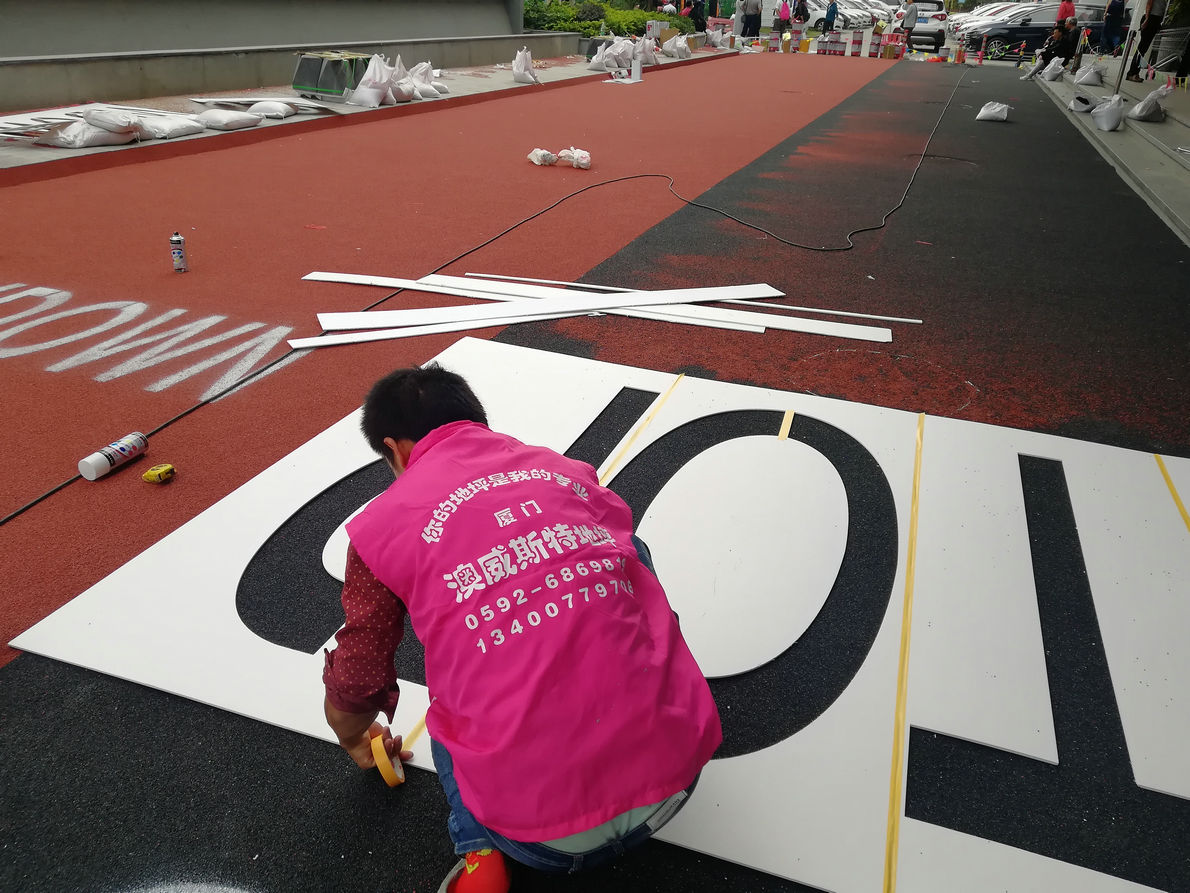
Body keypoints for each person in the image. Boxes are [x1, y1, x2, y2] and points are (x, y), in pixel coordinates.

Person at [323, 364, 722, 893]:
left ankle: (478, 852)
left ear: (395, 449)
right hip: (677, 783)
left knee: (451, 701)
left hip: (540, 843)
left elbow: (360, 672)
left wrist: (353, 737)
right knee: (629, 553)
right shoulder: (566, 472)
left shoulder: (381, 527)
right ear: (477, 421)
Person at [1125, 0, 1168, 81]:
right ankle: (1132, 73)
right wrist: (1147, 19)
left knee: (1143, 48)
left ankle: (1134, 72)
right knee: (1142, 48)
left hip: (1155, 19)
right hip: (1151, 18)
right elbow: (1149, 3)